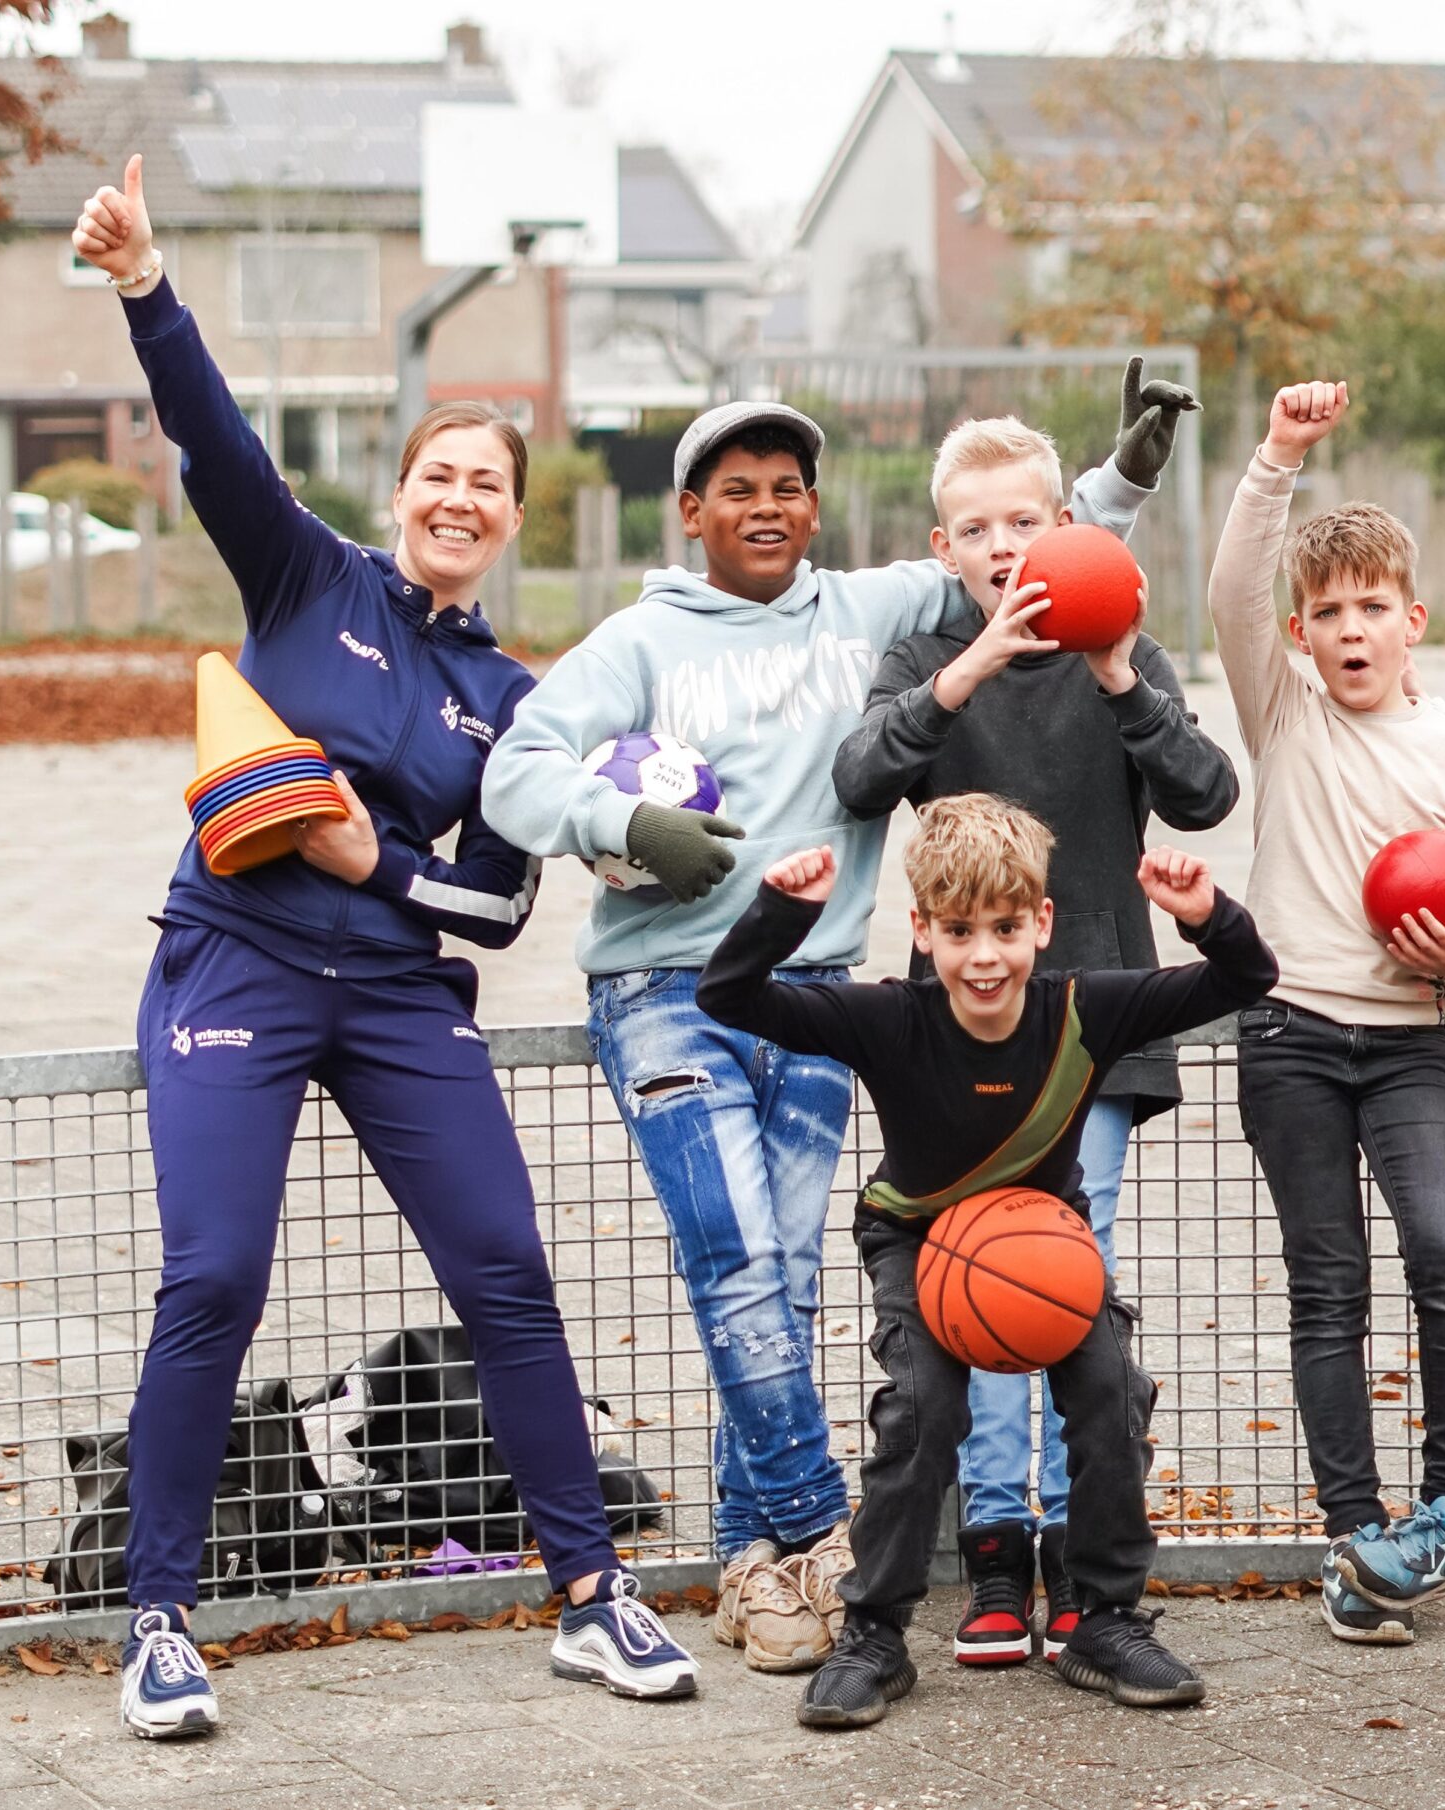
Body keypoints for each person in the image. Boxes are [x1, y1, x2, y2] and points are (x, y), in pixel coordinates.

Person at [71, 157, 695, 1740]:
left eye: (489, 483)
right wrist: (148, 285)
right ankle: (159, 1619)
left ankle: (590, 1592)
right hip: (238, 961)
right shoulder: (307, 577)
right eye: (441, 474)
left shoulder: (518, 703)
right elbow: (215, 438)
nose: (460, 499)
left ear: (513, 518)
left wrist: (378, 862)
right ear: (403, 489)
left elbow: (499, 905)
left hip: (405, 995)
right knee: (216, 1273)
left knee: (507, 1273)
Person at [480, 368, 1195, 1674]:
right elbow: (514, 771)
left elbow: (1034, 553)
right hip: (668, 989)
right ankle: (818, 1528)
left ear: (814, 509)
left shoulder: (870, 609)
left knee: (785, 1281)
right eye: (735, 490)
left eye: (787, 488)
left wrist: (1127, 476)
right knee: (738, 1268)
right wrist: (624, 821)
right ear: (691, 511)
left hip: (810, 990)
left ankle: (750, 1560)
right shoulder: (638, 643)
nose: (765, 507)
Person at [694, 795, 1278, 1728]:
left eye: (1005, 928)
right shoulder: (890, 1018)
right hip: (918, 1238)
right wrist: (780, 913)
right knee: (923, 1409)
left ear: (1041, 922)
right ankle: (875, 1635)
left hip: (1044, 1243)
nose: (984, 957)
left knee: (1112, 1391)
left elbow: (1248, 975)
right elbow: (727, 997)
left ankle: (1103, 1618)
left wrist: (1205, 913)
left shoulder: (1084, 1008)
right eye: (959, 931)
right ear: (922, 930)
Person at [830, 413, 1235, 1667]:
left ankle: (1078, 1561)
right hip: (957, 1031)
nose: (1003, 544)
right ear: (943, 546)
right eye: (978, 528)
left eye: (1025, 520)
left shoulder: (1120, 649)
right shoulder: (924, 657)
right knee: (977, 1275)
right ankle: (995, 1549)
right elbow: (858, 775)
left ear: (1063, 526)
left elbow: (1205, 792)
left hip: (1090, 1021)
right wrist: (964, 673)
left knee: (1058, 1271)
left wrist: (1116, 676)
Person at [1205, 380, 1445, 1645]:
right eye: (1326, 611)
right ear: (1300, 632)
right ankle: (1354, 1533)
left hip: (1405, 1049)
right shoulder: (1281, 711)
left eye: (1371, 607)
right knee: (1326, 1285)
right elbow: (1232, 590)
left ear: (1412, 620)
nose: (1349, 628)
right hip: (1287, 1038)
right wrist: (1278, 456)